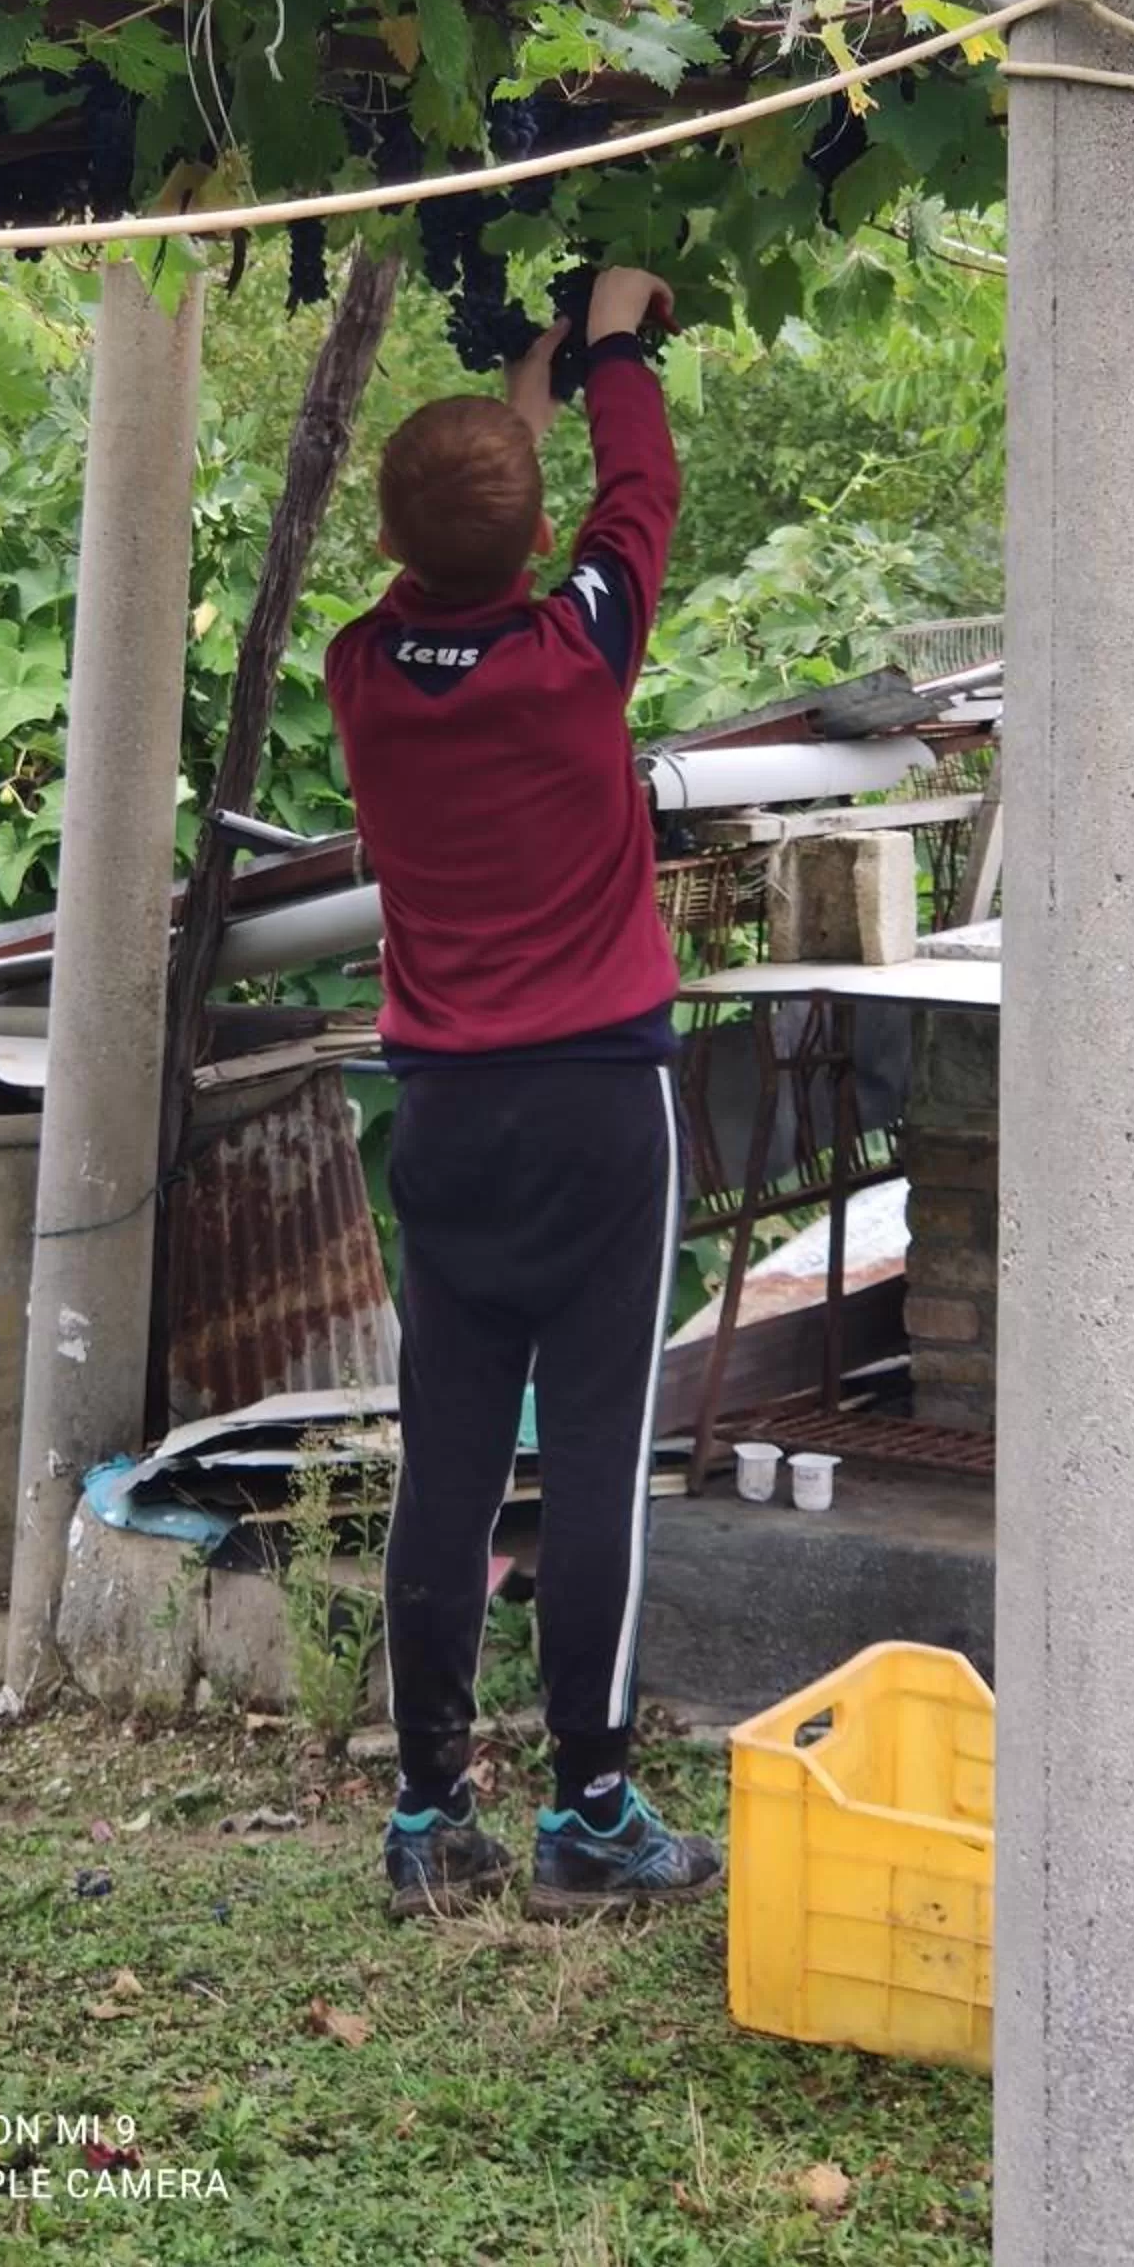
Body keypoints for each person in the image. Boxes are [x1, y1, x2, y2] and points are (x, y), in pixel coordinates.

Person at [324, 265, 722, 1920]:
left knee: (451, 1460)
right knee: (601, 1461)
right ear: (529, 529)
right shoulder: (578, 658)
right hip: (597, 1116)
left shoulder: (360, 672)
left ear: (393, 541)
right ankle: (595, 1813)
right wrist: (618, 338)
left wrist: (534, 388)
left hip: (449, 1123)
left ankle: (428, 1817)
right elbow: (644, 496)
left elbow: (516, 533)